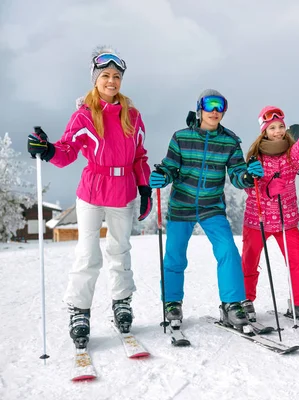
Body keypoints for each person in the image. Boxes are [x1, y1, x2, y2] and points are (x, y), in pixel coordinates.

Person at [27, 46, 152, 348]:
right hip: (93, 192)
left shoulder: (132, 116)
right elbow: (67, 150)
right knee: (88, 254)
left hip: (122, 193)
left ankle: (121, 301)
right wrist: (49, 150)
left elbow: (139, 156)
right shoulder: (84, 115)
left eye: (116, 76)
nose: (111, 81)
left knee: (120, 251)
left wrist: (144, 187)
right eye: (105, 75)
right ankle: (80, 310)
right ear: (95, 79)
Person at [149, 89, 264, 332]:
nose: (214, 111)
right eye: (210, 105)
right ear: (200, 108)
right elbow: (170, 167)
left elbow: (237, 175)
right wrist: (162, 175)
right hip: (182, 205)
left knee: (228, 252)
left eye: (220, 106)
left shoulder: (230, 141)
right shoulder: (180, 137)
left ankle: (232, 304)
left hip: (212, 207)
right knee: (175, 255)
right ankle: (172, 302)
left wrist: (248, 175)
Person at [241, 106, 299, 324]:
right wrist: (266, 189)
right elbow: (249, 186)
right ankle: (244, 300)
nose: (278, 131)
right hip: (257, 220)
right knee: (249, 261)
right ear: (264, 131)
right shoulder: (255, 156)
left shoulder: (290, 152)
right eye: (272, 127)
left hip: (286, 220)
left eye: (281, 126)